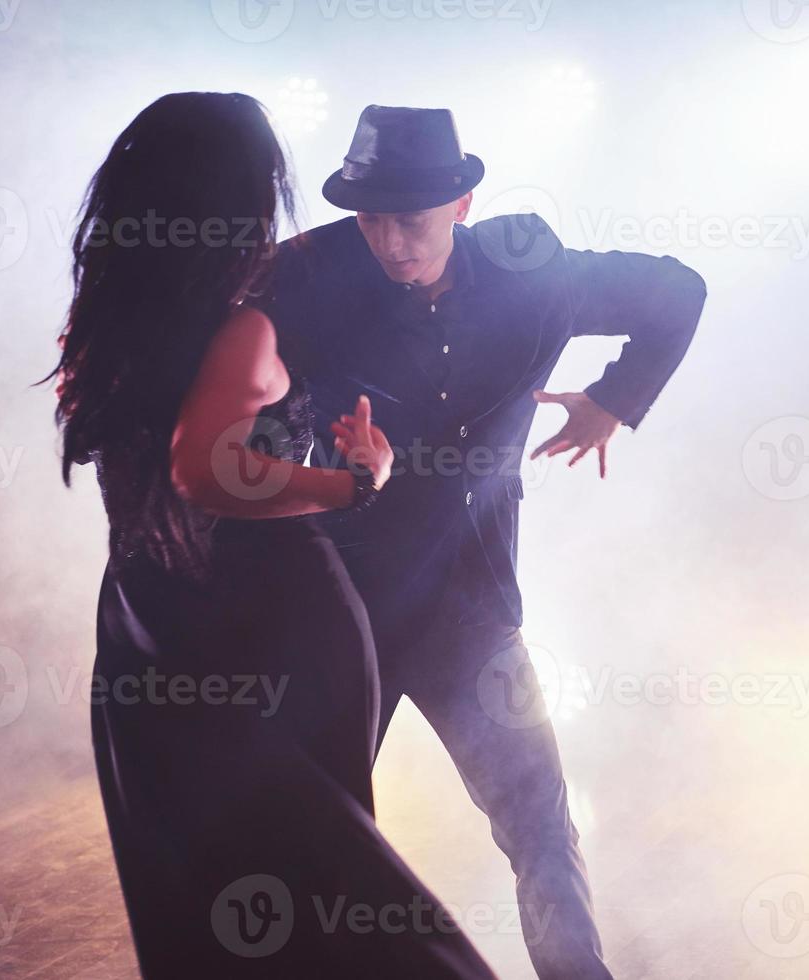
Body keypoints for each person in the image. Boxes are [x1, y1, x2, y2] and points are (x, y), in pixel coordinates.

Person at [49, 91, 495, 978]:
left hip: (147, 634)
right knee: (340, 902)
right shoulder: (244, 323)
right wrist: (354, 479)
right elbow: (202, 470)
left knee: (210, 894)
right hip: (273, 624)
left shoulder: (106, 328)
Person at [262, 104, 708, 979]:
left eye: (413, 221)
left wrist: (614, 399)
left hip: (470, 607)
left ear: (463, 207)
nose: (391, 242)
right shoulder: (308, 274)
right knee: (307, 830)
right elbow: (201, 324)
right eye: (373, 218)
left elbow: (675, 292)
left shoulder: (529, 270)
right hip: (341, 600)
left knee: (538, 819)